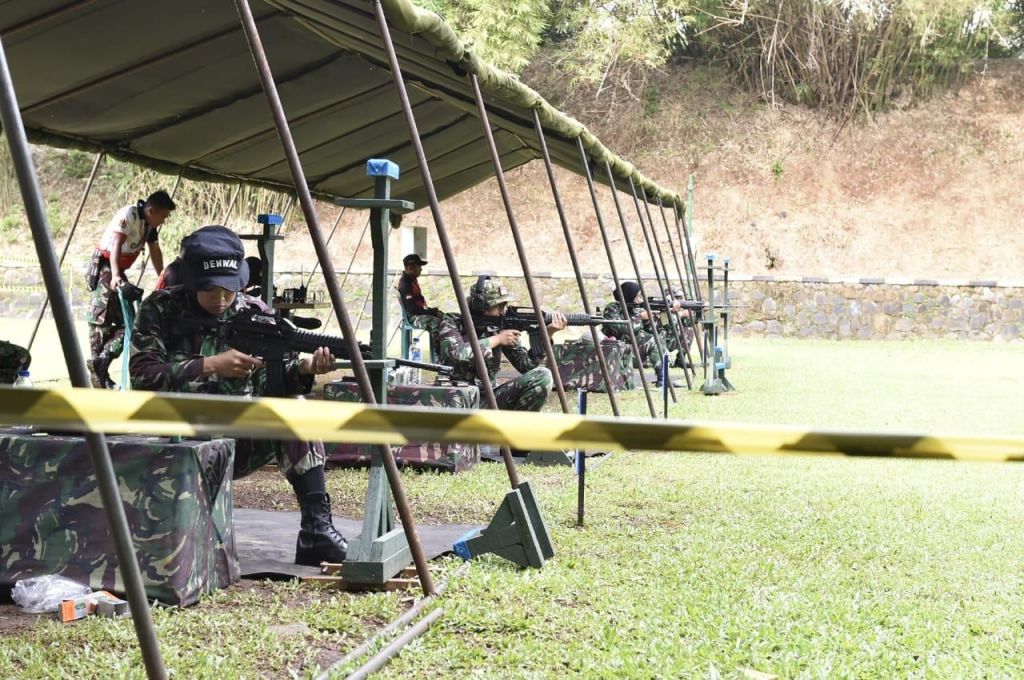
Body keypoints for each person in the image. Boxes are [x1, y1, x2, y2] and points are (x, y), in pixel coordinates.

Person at [130, 225, 348, 566]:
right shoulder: (159, 309)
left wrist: (304, 370)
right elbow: (142, 377)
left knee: (296, 409)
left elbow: (272, 385)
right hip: (175, 439)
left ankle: (317, 531)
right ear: (191, 283)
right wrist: (209, 365)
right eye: (210, 291)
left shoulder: (253, 312)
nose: (220, 300)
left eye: (228, 291)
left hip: (238, 439)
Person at [87, 190, 176, 388]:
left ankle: (101, 363)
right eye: (163, 216)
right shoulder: (130, 214)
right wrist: (117, 275)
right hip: (105, 266)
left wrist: (163, 276)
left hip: (118, 268)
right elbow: (117, 243)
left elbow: (155, 250)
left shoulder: (148, 224)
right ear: (152, 210)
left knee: (129, 324)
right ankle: (98, 368)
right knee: (100, 320)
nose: (163, 220)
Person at [437, 276, 566, 412]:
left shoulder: (500, 325)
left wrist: (548, 334)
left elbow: (526, 365)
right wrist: (497, 339)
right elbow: (457, 353)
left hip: (489, 398)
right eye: (499, 306)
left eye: (504, 305)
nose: (503, 311)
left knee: (543, 376)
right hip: (456, 399)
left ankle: (513, 430)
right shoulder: (452, 322)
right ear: (481, 306)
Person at [600, 281, 681, 387]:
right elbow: (620, 328)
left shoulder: (638, 308)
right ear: (628, 295)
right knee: (653, 340)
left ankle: (663, 377)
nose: (640, 299)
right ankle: (663, 378)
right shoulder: (612, 308)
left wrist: (667, 313)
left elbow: (665, 330)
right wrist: (640, 318)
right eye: (637, 296)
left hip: (634, 349)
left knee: (658, 336)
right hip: (617, 350)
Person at [397, 254, 441, 333]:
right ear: (410, 268)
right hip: (414, 318)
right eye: (419, 266)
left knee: (446, 317)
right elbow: (413, 310)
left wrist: (432, 311)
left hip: (418, 314)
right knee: (438, 323)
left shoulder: (411, 281)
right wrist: (432, 312)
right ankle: (438, 345)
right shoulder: (406, 284)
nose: (421, 269)